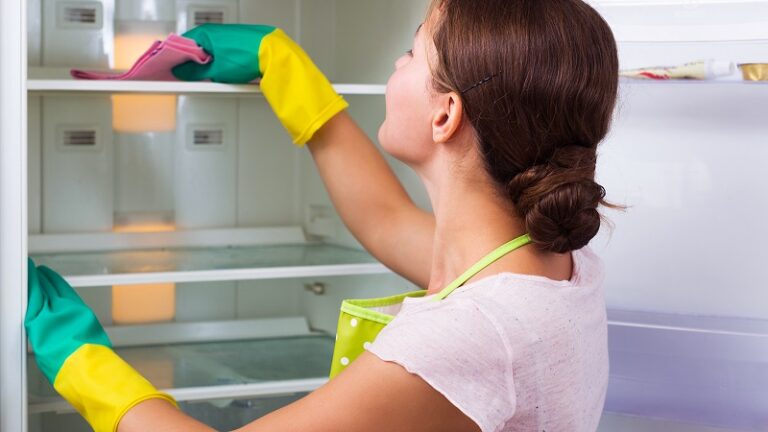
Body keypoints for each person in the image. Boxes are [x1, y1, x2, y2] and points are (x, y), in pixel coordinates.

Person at [25, 0, 620, 431]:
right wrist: (285, 72)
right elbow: (384, 219)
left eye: (414, 50)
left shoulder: (465, 339)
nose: (397, 58)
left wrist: (80, 360)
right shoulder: (547, 265)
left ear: (445, 115)